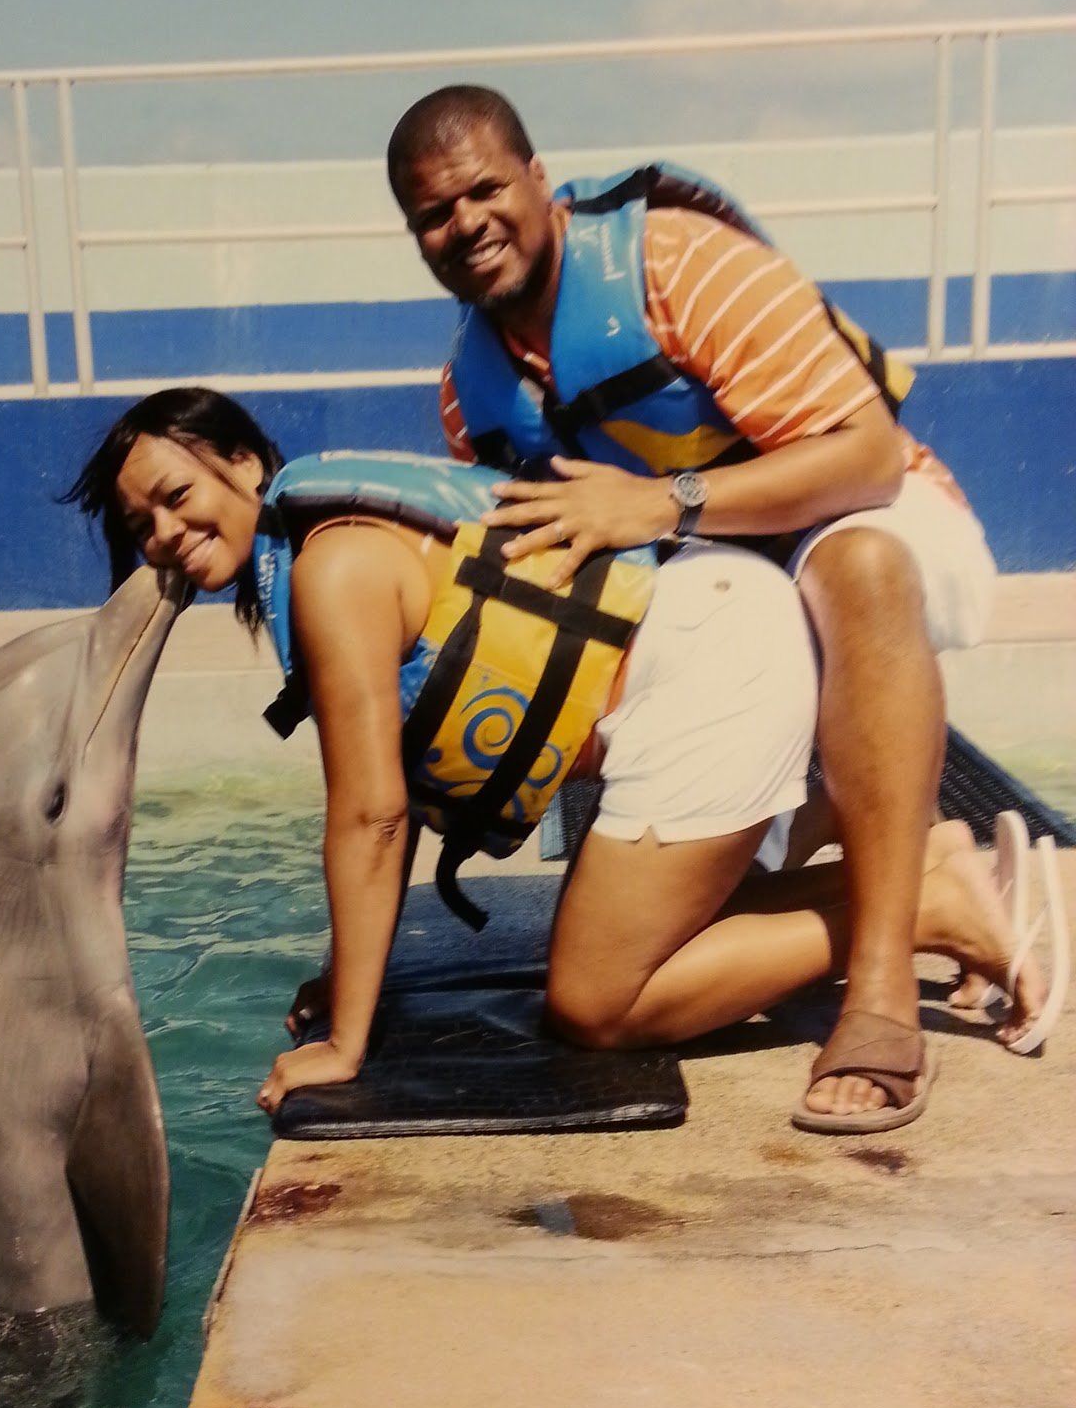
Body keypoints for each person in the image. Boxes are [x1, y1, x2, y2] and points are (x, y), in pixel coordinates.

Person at [64, 387, 1049, 1133]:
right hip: (709, 638)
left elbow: (372, 818)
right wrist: (344, 974)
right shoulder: (325, 539)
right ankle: (916, 873)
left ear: (242, 462)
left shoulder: (331, 565)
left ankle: (925, 907)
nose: (166, 534)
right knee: (639, 942)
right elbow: (388, 799)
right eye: (140, 526)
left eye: (176, 496)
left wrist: (347, 1045)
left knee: (599, 1002)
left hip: (708, 671)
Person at [385, 84, 1001, 1128]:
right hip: (728, 594)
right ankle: (919, 869)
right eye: (434, 214)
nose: (467, 224)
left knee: (856, 567)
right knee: (648, 915)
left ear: (539, 179)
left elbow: (866, 456)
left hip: (870, 519)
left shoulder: (678, 264)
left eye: (485, 190)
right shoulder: (470, 395)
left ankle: (884, 985)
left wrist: (662, 501)